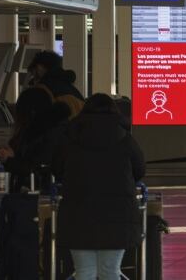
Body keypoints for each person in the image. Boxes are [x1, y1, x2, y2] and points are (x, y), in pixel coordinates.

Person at [53, 94, 145, 280]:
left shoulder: (70, 137)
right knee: (110, 271)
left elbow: (57, 170)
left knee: (84, 272)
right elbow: (139, 170)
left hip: (77, 214)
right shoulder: (126, 138)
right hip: (117, 215)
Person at [0, 87, 69, 193]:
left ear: (31, 113)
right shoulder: (45, 130)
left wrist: (10, 160)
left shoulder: (52, 134)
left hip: (46, 195)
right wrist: (13, 155)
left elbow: (38, 169)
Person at [28, 51, 85, 118]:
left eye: (33, 74)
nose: (33, 80)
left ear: (39, 67)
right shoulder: (72, 89)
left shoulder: (43, 89)